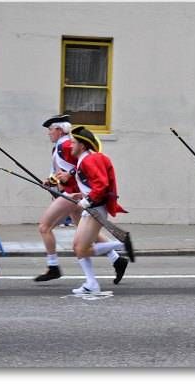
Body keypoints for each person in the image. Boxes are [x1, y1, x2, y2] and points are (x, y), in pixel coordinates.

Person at [68, 126, 128, 295]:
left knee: (82, 248)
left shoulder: (89, 159)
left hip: (96, 209)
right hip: (91, 208)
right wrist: (80, 195)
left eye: (73, 143)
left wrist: (87, 200)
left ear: (82, 145)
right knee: (77, 246)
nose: (70, 145)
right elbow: (92, 185)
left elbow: (101, 184)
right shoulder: (84, 159)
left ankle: (123, 244)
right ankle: (91, 283)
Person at [34, 114, 83, 282]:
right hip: (69, 194)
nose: (48, 133)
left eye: (50, 129)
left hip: (71, 194)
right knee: (83, 229)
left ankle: (53, 266)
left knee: (44, 227)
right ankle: (116, 257)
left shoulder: (67, 144)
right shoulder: (59, 146)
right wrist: (51, 180)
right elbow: (63, 170)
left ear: (60, 130)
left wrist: (68, 175)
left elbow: (83, 165)